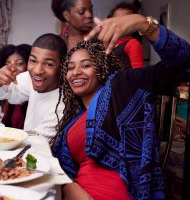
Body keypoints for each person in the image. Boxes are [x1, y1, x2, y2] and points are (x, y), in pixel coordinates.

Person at [52, 14, 190, 199]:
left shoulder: (121, 87)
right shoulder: (73, 116)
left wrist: (143, 24)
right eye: (70, 67)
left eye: (86, 65)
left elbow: (183, 63)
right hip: (74, 191)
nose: (76, 72)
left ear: (102, 67)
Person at [0, 33, 67, 140]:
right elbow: (4, 93)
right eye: (33, 61)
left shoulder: (64, 103)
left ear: (63, 66)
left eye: (48, 64)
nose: (37, 70)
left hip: (40, 152)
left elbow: (35, 138)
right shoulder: (30, 79)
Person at [107, 1, 144, 69]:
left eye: (126, 21)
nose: (121, 24)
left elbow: (138, 74)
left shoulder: (133, 44)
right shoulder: (111, 43)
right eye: (117, 20)